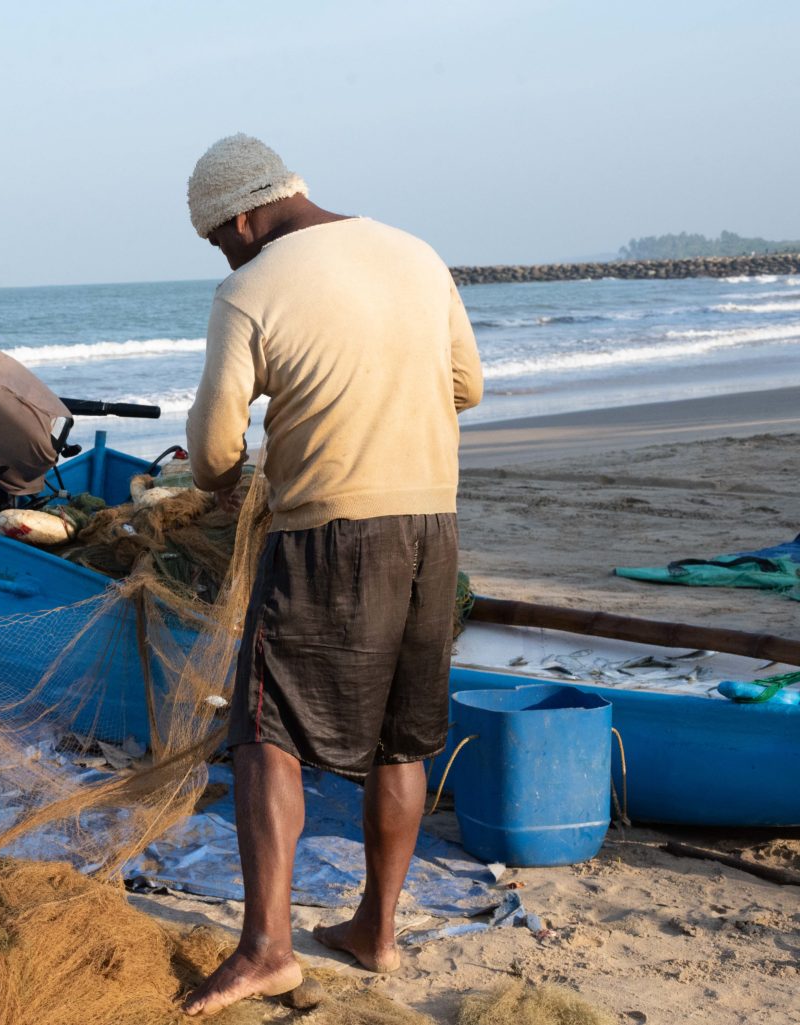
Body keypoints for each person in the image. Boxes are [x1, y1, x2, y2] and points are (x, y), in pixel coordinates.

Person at [179, 134, 483, 1016]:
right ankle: (376, 931)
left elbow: (213, 451)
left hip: (326, 530)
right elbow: (466, 385)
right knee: (401, 738)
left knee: (263, 730)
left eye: (218, 239)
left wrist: (238, 464)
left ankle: (267, 949)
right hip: (431, 526)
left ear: (243, 218)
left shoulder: (249, 288)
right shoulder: (415, 253)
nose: (224, 255)